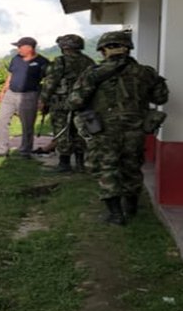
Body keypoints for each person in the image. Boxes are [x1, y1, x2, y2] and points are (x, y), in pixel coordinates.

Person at [68, 30, 169, 226]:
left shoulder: (93, 74)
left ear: (103, 50)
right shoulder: (146, 72)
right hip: (135, 128)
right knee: (131, 166)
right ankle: (130, 208)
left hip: (104, 130)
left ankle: (115, 214)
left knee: (107, 167)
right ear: (128, 49)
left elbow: (75, 101)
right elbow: (160, 98)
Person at [39, 34, 96, 172]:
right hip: (83, 103)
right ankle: (80, 163)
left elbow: (51, 82)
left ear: (64, 47)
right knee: (80, 131)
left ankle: (64, 164)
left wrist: (43, 100)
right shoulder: (89, 62)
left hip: (62, 103)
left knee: (62, 131)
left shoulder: (61, 61)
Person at [0, 36, 49, 158]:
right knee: (1, 122)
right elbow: (10, 75)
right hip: (10, 94)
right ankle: (0, 151)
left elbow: (48, 81)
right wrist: (2, 91)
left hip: (29, 95)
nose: (18, 49)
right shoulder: (16, 59)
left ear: (29, 48)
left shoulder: (42, 62)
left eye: (20, 47)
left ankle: (25, 151)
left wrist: (42, 99)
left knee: (28, 125)